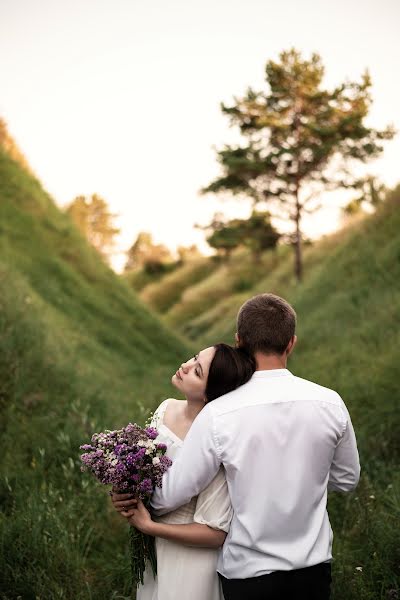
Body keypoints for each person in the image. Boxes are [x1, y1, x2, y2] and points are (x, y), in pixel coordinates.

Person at [134, 292, 360, 600]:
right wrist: (305, 479)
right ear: (291, 343)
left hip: (248, 573)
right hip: (313, 568)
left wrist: (135, 493)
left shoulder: (218, 413)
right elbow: (347, 479)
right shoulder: (330, 402)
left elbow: (168, 496)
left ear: (239, 340)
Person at [111, 343, 255, 600]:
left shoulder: (216, 445)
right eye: (194, 358)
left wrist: (150, 527)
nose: (186, 366)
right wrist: (125, 492)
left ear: (212, 395)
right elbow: (143, 473)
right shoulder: (166, 408)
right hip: (153, 553)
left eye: (197, 372)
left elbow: (215, 534)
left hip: (190, 565)